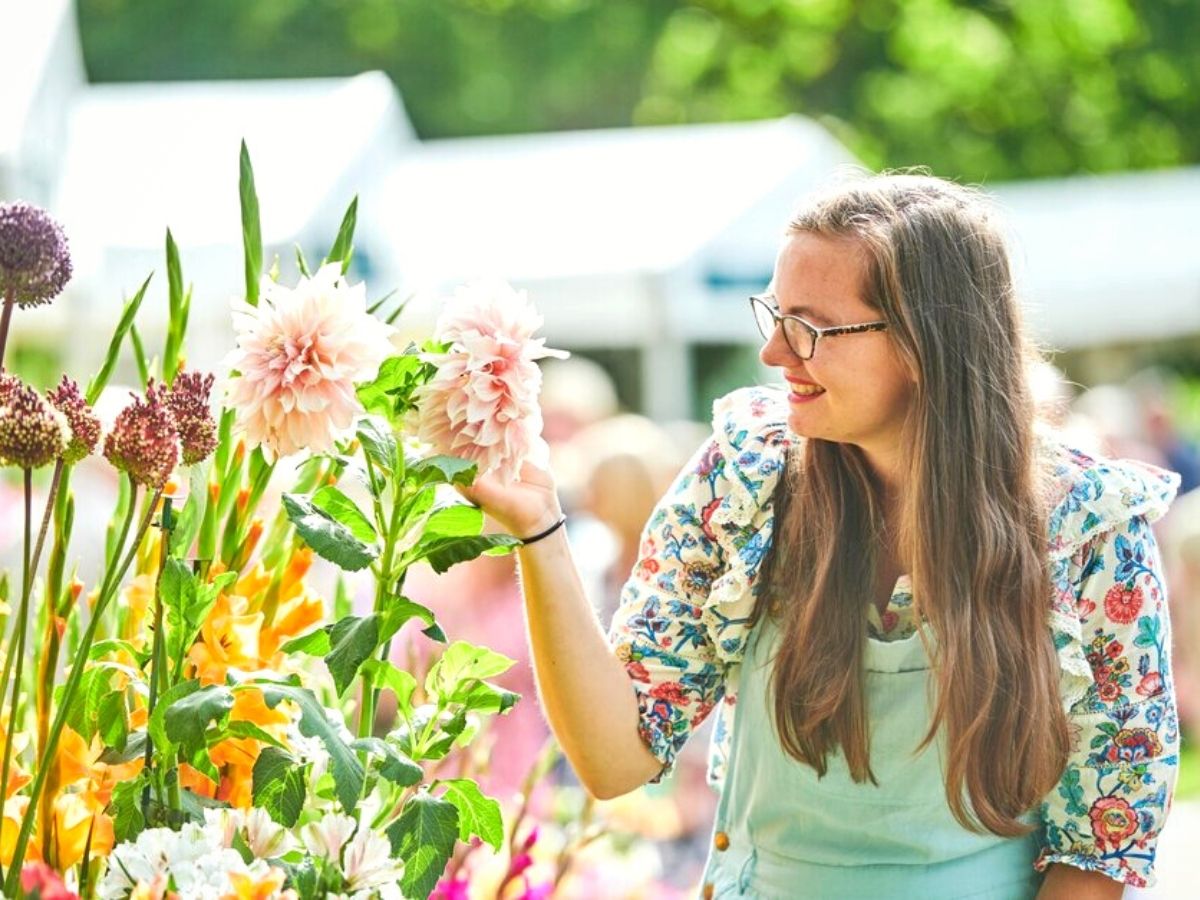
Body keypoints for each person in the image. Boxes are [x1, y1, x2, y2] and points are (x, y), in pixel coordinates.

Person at [465, 173, 1181, 899]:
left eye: (809, 325)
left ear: (922, 343)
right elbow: (615, 759)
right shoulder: (743, 484)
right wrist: (539, 526)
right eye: (774, 315)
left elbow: (1098, 852)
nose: (775, 352)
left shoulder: (1090, 529)